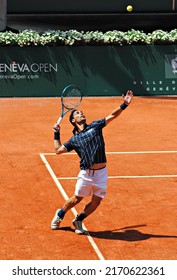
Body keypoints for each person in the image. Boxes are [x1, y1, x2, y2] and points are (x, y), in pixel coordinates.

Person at [51, 90, 133, 234]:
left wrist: (124, 104)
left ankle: (79, 219)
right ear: (73, 121)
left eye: (82, 112)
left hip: (101, 173)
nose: (81, 113)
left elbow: (112, 115)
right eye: (77, 113)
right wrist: (56, 133)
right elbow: (58, 150)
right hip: (86, 174)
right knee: (76, 199)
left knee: (96, 202)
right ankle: (60, 214)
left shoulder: (95, 126)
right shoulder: (74, 140)